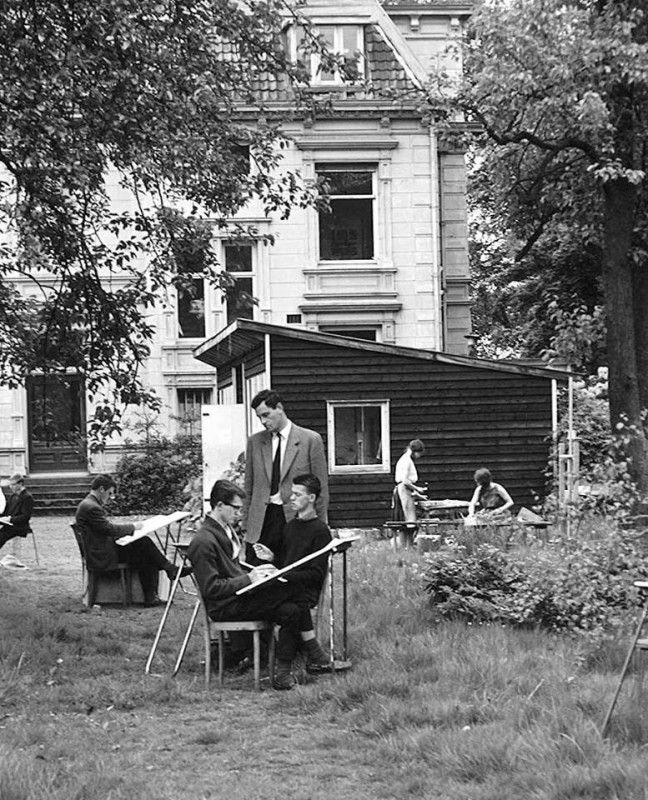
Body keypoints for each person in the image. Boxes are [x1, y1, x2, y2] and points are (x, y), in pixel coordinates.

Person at [187, 479, 331, 690]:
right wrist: (250, 579)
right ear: (219, 506)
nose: (239, 514)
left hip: (238, 596)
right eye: (235, 508)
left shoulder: (224, 532)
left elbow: (231, 571)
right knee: (292, 588)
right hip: (225, 606)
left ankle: (282, 673)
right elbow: (211, 589)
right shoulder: (203, 541)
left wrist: (258, 575)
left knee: (290, 609)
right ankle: (312, 650)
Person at [75, 474, 191, 607]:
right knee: (145, 545)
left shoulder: (88, 504)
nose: (110, 498)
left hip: (100, 549)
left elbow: (103, 530)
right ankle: (168, 573)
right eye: (110, 493)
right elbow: (109, 529)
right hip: (102, 555)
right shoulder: (92, 507)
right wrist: (133, 527)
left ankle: (158, 586)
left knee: (145, 550)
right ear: (101, 489)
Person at [242, 389, 329, 558]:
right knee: (258, 576)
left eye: (266, 415)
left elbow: (321, 488)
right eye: (259, 417)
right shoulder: (255, 442)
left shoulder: (310, 440)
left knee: (291, 573)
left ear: (279, 408)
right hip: (261, 522)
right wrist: (245, 524)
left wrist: (320, 526)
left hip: (294, 518)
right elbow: (248, 487)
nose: (263, 421)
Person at [392, 439, 427, 549]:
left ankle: (408, 546)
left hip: (405, 491)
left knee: (408, 522)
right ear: (415, 451)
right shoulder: (406, 461)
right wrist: (418, 489)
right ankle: (405, 547)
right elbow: (405, 481)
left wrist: (419, 495)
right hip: (403, 491)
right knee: (406, 521)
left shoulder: (405, 459)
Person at [0, 474, 35, 552]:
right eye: (10, 485)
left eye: (13, 485)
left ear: (20, 484)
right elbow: (7, 511)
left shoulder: (27, 497)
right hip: (10, 525)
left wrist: (10, 519)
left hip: (20, 526)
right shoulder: (13, 496)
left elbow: (25, 516)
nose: (11, 487)